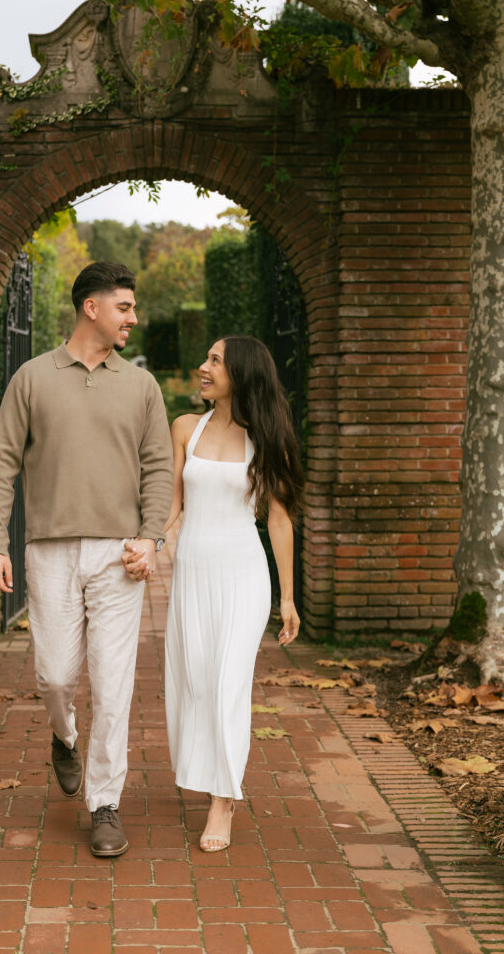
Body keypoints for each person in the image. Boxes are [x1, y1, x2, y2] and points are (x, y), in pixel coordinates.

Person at [0, 262, 173, 858]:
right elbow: (1, 463)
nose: (133, 318)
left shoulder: (142, 387)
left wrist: (151, 537)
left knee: (113, 687)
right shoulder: (33, 378)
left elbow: (159, 468)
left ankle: (106, 803)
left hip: (119, 556)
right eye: (124, 307)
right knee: (57, 674)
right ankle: (64, 737)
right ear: (92, 307)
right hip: (50, 550)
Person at [163, 335, 304, 852]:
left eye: (214, 362)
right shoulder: (184, 428)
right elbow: (172, 506)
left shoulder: (269, 439)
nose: (203, 367)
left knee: (227, 683)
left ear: (240, 375)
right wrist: (148, 542)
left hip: (244, 575)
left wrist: (286, 598)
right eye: (206, 358)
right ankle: (206, 768)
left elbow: (281, 521)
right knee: (196, 680)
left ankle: (223, 799)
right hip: (192, 572)